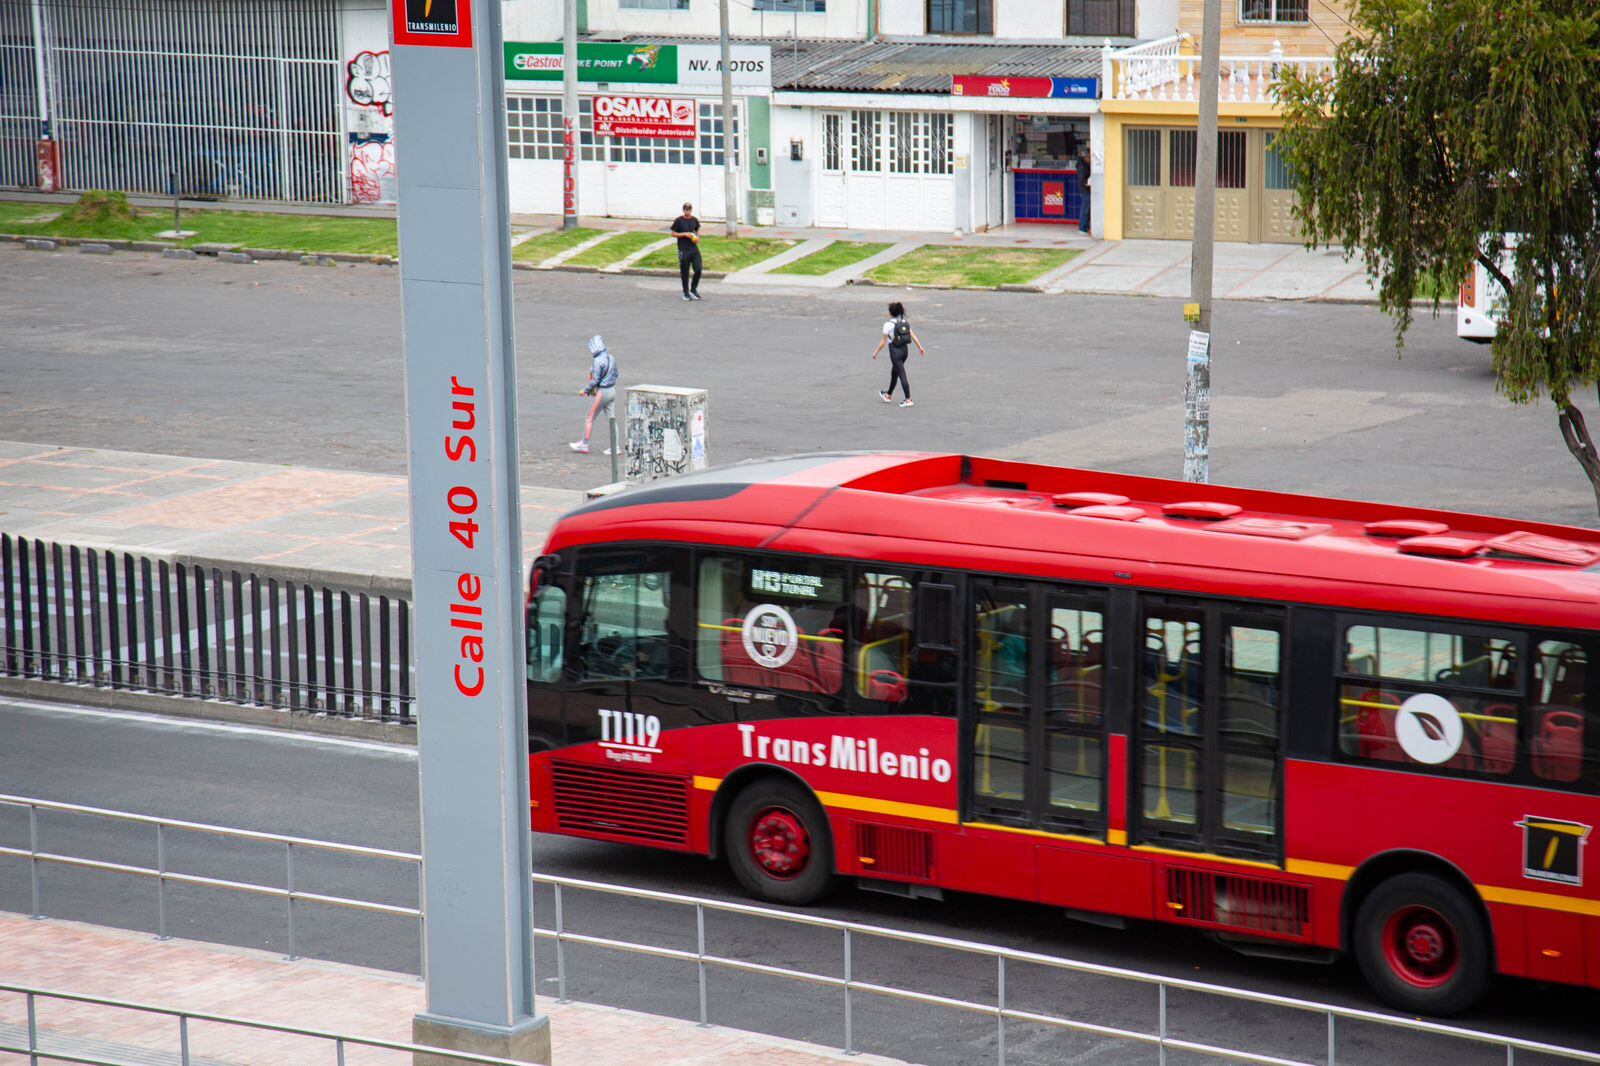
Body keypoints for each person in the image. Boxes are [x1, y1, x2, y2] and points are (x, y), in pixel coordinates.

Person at [870, 301, 925, 408]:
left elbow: (883, 342)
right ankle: (888, 395)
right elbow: (913, 336)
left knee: (901, 374)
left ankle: (908, 399)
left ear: (890, 313)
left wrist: (876, 352)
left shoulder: (888, 325)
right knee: (894, 372)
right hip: (905, 351)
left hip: (895, 353)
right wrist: (920, 347)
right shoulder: (903, 322)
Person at [569, 334, 618, 454]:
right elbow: (616, 374)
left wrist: (585, 390)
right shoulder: (611, 357)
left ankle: (584, 444)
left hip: (602, 393)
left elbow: (595, 380)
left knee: (589, 418)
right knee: (611, 420)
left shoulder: (597, 361)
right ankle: (615, 447)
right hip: (612, 391)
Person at [671, 202, 702, 301]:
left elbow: (697, 230)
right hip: (683, 249)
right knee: (685, 272)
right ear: (683, 210)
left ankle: (693, 289)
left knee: (698, 269)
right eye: (686, 209)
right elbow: (673, 233)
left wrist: (697, 237)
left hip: (694, 249)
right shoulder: (679, 221)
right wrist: (685, 234)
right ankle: (686, 292)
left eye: (689, 209)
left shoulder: (694, 220)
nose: (687, 211)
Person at [1077, 147, 1093, 236]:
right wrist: (1087, 184)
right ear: (1086, 156)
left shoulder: (1085, 164)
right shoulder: (1083, 166)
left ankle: (1085, 227)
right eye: (1090, 156)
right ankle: (1082, 228)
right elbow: (1082, 179)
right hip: (1085, 189)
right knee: (1085, 208)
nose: (1091, 158)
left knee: (1087, 208)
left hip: (1085, 188)